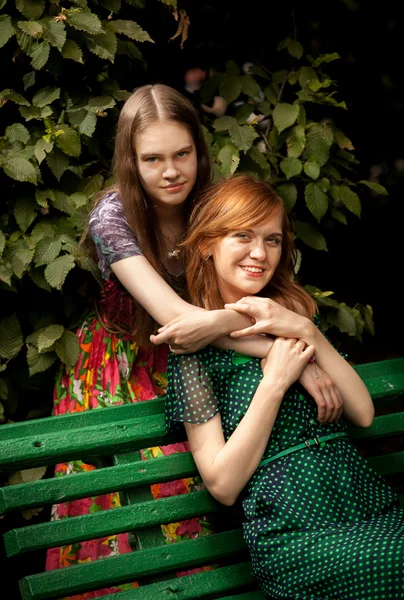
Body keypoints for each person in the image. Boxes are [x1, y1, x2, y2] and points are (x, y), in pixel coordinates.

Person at [46, 83, 346, 597]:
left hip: (209, 368)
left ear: (199, 151)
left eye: (182, 153)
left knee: (201, 500)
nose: (170, 171)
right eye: (153, 158)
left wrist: (277, 337)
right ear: (130, 160)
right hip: (123, 368)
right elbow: (178, 325)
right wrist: (289, 351)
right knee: (122, 507)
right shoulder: (112, 218)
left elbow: (279, 293)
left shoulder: (216, 205)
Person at [165, 173, 404, 600]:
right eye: (243, 236)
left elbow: (363, 412)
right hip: (297, 535)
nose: (260, 253)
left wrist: (303, 328)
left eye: (272, 240)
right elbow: (222, 483)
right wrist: (275, 383)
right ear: (207, 243)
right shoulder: (194, 355)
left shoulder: (291, 321)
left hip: (366, 508)